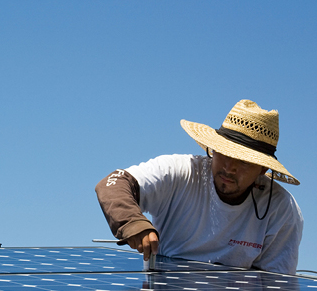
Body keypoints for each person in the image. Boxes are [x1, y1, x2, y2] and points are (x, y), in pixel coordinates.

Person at [95, 99, 303, 274]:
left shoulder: (281, 209)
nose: (229, 168)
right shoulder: (181, 171)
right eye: (223, 153)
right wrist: (132, 222)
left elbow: (273, 289)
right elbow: (114, 182)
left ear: (262, 169)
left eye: (243, 161)